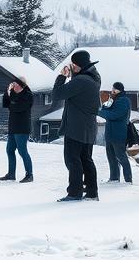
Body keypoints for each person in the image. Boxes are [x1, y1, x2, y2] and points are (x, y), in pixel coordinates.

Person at [53, 50, 102, 202]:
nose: (72, 67)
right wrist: (73, 74)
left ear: (79, 65)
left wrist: (62, 76)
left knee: (72, 159)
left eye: (74, 65)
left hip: (76, 127)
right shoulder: (93, 78)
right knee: (86, 159)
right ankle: (92, 192)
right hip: (88, 127)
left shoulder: (81, 81)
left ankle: (75, 192)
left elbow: (57, 94)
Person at [0, 76, 34, 183]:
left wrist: (11, 102)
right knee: (9, 150)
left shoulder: (28, 95)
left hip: (22, 128)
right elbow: (5, 104)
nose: (13, 85)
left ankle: (29, 175)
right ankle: (11, 174)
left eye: (15, 84)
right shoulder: (13, 93)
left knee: (22, 151)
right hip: (13, 127)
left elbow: (17, 108)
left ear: (21, 85)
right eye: (13, 84)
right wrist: (7, 92)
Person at [99, 81, 133, 184]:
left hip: (119, 133)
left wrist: (100, 112)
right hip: (110, 133)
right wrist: (107, 103)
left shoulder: (123, 100)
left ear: (120, 90)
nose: (113, 91)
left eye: (115, 89)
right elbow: (107, 109)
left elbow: (114, 115)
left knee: (121, 157)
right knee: (111, 157)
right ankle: (114, 178)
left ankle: (128, 179)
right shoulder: (114, 99)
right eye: (113, 89)